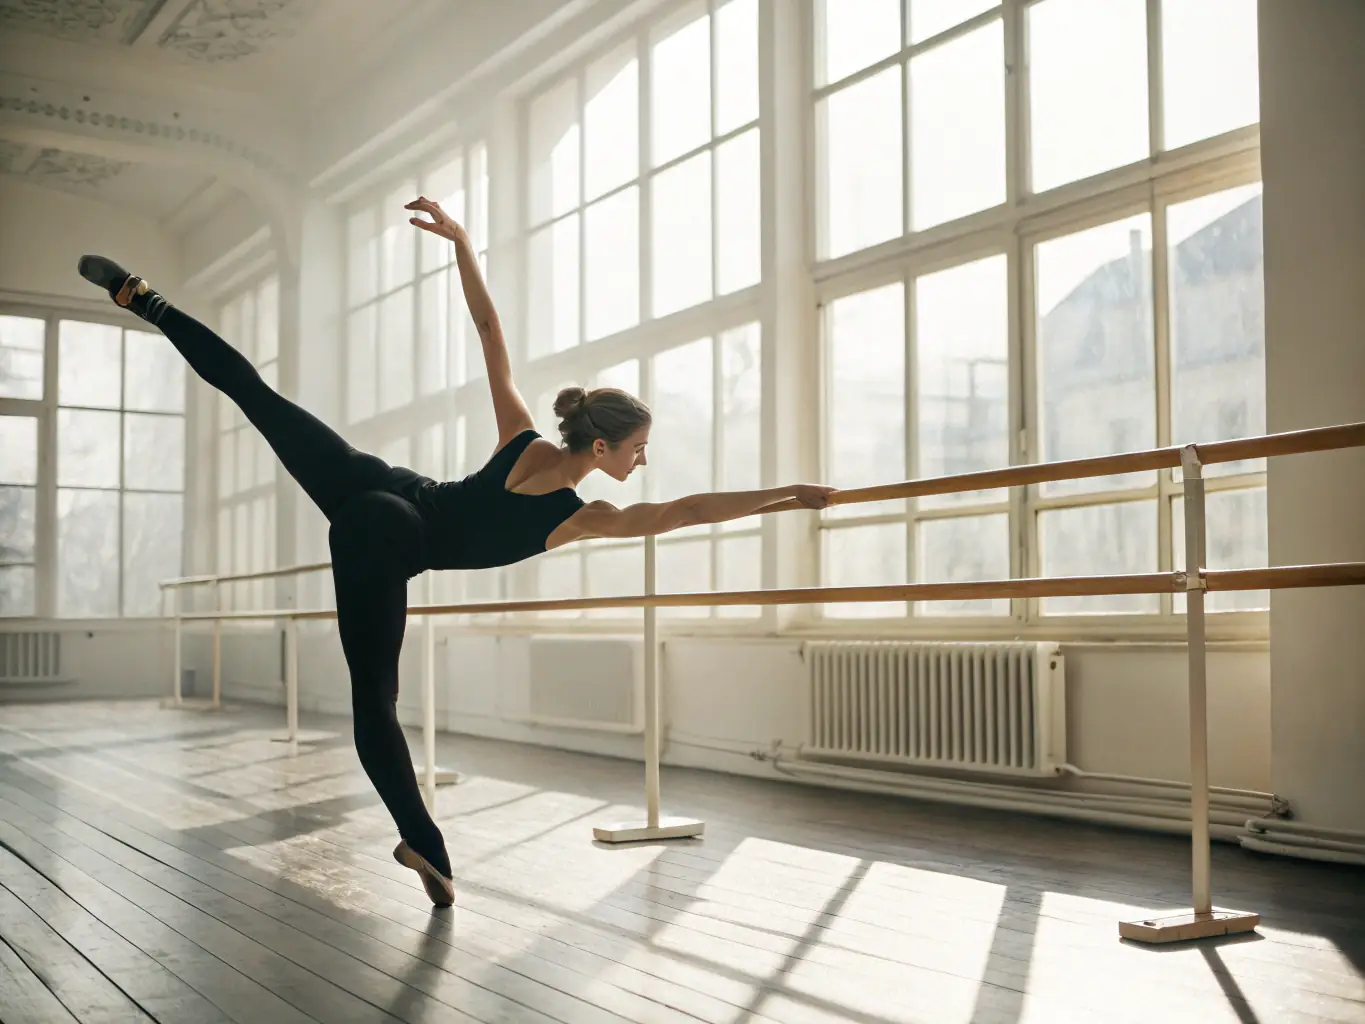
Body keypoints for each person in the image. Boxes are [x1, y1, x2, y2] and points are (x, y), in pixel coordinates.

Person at [76, 196, 835, 908]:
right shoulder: (581, 517)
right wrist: (785, 495)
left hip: (377, 484)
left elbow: (489, 332)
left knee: (261, 401)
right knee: (374, 701)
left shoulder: (522, 435)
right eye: (636, 449)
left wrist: (464, 244)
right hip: (384, 531)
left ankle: (142, 299)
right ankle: (424, 843)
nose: (642, 462)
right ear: (600, 446)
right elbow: (686, 511)